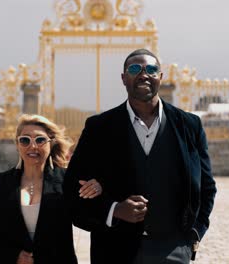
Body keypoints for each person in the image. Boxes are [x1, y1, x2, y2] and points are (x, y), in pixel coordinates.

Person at [64, 49, 217, 263]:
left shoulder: (189, 125)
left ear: (160, 77)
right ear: (124, 78)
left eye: (152, 69)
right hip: (113, 250)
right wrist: (114, 210)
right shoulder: (99, 127)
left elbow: (206, 187)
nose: (144, 74)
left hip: (173, 250)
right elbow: (72, 187)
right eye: (135, 69)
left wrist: (194, 233)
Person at [0, 114, 103, 264]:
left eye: (40, 140)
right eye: (25, 140)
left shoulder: (68, 180)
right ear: (17, 144)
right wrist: (13, 256)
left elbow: (88, 220)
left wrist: (98, 191)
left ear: (51, 143)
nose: (33, 146)